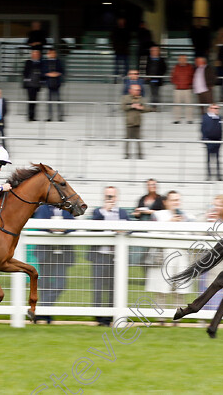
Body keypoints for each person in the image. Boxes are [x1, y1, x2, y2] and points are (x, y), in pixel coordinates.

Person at [145, 190, 193, 314]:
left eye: (177, 200)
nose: (175, 203)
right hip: (163, 257)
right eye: (173, 200)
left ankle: (178, 317)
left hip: (181, 258)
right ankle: (160, 318)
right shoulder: (157, 215)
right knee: (161, 290)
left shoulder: (187, 217)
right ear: (166, 202)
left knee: (180, 291)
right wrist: (169, 223)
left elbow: (191, 236)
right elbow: (151, 234)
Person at [90, 186, 129, 326]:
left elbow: (131, 228)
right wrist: (104, 212)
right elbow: (92, 228)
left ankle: (110, 317)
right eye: (108, 196)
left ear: (117, 197)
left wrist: (122, 231)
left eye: (112, 196)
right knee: (98, 287)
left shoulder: (123, 213)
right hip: (100, 255)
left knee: (113, 287)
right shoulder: (97, 212)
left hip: (116, 256)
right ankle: (99, 317)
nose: (110, 199)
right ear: (104, 197)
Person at [31, 203, 76, 324]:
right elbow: (40, 223)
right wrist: (51, 228)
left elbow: (74, 224)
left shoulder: (68, 208)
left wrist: (64, 229)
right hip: (46, 251)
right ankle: (45, 316)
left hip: (62, 252)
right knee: (44, 285)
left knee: (61, 284)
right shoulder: (44, 208)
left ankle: (41, 311)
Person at [200, 195, 223, 313]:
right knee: (203, 293)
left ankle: (214, 318)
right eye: (214, 205)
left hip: (220, 265)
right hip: (205, 265)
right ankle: (202, 319)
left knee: (217, 293)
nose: (216, 208)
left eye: (219, 205)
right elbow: (197, 237)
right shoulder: (206, 219)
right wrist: (206, 221)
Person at [122, 84, 150, 159]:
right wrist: (132, 106)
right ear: (130, 90)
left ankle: (140, 154)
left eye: (139, 90)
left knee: (138, 139)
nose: (138, 91)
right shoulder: (126, 98)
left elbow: (145, 109)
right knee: (127, 139)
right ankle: (127, 154)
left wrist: (141, 108)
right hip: (129, 121)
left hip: (138, 121)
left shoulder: (141, 99)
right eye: (136, 90)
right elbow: (123, 107)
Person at [201, 103, 223, 181]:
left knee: (217, 159)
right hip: (209, 140)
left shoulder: (220, 118)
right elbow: (203, 128)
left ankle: (218, 175)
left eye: (217, 108)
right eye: (215, 108)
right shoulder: (205, 117)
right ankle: (209, 175)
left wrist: (221, 139)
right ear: (210, 109)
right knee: (209, 159)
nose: (217, 110)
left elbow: (221, 129)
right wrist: (205, 139)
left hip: (217, 140)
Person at [42, 48, 64, 122]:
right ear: (48, 54)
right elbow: (43, 72)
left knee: (58, 100)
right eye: (51, 53)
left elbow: (62, 71)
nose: (52, 54)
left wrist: (56, 74)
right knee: (49, 101)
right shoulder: (45, 62)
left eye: (53, 53)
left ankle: (60, 116)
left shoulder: (59, 62)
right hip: (49, 83)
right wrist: (49, 74)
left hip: (57, 83)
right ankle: (50, 116)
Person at [170, 55, 194, 124]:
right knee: (177, 105)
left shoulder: (190, 67)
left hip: (187, 88)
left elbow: (192, 76)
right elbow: (172, 77)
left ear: (186, 60)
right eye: (181, 59)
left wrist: (190, 84)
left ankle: (189, 119)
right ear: (178, 60)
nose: (182, 60)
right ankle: (177, 119)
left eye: (184, 59)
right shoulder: (175, 67)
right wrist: (176, 83)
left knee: (189, 105)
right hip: (178, 89)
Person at [22, 49, 43, 122]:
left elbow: (42, 73)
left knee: (34, 101)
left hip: (36, 84)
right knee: (31, 100)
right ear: (32, 55)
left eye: (37, 54)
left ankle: (33, 116)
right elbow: (24, 72)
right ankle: (30, 116)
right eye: (34, 54)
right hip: (30, 84)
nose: (35, 55)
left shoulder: (41, 63)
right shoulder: (28, 62)